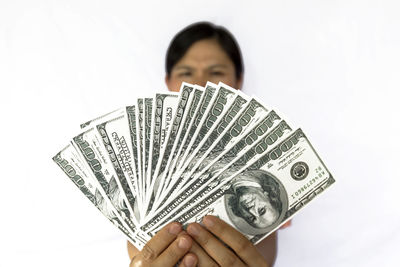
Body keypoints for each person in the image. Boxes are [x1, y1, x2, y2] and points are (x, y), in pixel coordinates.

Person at [128, 22, 289, 267]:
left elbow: (263, 255)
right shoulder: (144, 157)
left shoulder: (262, 161)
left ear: (239, 80)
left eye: (215, 72)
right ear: (168, 81)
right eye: (186, 73)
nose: (200, 83)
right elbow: (136, 248)